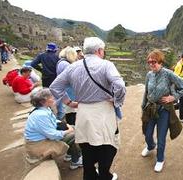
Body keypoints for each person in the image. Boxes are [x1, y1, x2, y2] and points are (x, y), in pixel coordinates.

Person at [50, 37, 126, 180]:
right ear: (99, 50)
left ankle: (90, 175)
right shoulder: (106, 65)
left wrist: (69, 102)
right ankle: (104, 175)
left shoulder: (73, 67)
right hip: (103, 111)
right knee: (108, 145)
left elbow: (55, 87)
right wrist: (117, 100)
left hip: (83, 111)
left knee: (87, 147)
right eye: (103, 50)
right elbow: (120, 85)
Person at [141, 49, 183, 172]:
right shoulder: (149, 75)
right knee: (147, 133)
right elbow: (146, 91)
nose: (151, 64)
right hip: (150, 108)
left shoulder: (168, 74)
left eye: (154, 61)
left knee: (161, 137)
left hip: (164, 110)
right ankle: (151, 145)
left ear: (161, 62)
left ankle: (160, 159)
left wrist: (173, 97)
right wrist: (143, 106)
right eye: (149, 62)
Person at [24, 89, 83, 169]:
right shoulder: (41, 115)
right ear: (42, 101)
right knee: (74, 134)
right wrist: (68, 130)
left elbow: (53, 121)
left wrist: (67, 125)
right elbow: (52, 135)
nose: (53, 98)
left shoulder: (43, 109)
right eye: (50, 97)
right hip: (38, 145)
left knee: (72, 128)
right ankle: (76, 161)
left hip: (43, 139)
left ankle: (70, 154)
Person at [56, 47, 78, 125]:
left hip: (67, 91)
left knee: (70, 111)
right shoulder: (65, 64)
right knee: (71, 112)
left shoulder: (61, 62)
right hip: (69, 92)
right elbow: (73, 78)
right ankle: (72, 127)